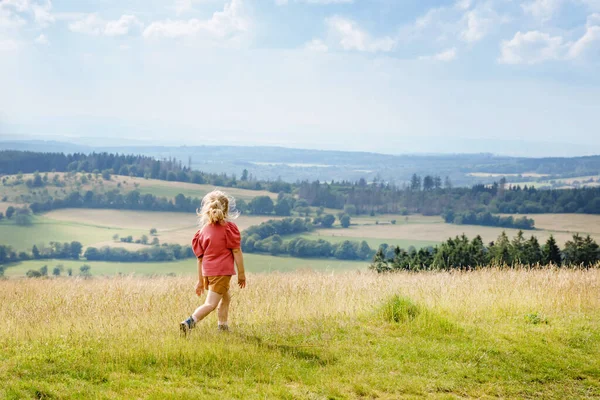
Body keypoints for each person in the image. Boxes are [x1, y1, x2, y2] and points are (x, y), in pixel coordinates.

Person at [180, 190, 246, 335]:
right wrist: (241, 274)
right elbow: (236, 251)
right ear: (226, 209)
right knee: (210, 304)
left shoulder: (202, 231)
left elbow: (200, 259)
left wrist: (200, 281)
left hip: (209, 273)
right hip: (221, 272)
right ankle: (189, 322)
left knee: (226, 297)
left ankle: (223, 327)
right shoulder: (229, 229)